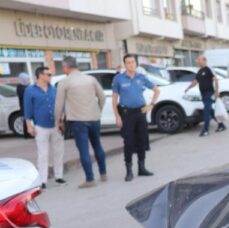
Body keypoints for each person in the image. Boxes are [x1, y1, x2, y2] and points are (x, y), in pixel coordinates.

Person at [54, 56, 107, 189]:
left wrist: (58, 121)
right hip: (94, 118)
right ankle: (103, 173)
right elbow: (102, 97)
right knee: (97, 146)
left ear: (66, 67)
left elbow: (58, 105)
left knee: (84, 150)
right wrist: (98, 111)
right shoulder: (91, 79)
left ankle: (90, 179)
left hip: (78, 121)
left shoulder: (64, 83)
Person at [112, 54, 159, 182]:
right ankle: (129, 171)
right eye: (128, 62)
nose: (131, 64)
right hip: (126, 114)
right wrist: (117, 116)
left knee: (142, 140)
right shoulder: (118, 79)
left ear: (135, 64)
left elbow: (156, 90)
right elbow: (114, 98)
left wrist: (151, 105)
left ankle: (142, 168)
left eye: (132, 62)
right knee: (128, 142)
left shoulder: (141, 77)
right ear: (124, 65)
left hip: (140, 112)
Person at [24, 66, 65, 188]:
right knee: (43, 154)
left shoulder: (54, 89)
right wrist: (29, 126)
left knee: (58, 152)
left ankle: (59, 177)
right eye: (48, 74)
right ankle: (43, 181)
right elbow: (27, 110)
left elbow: (60, 106)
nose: (50, 76)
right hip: (40, 127)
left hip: (56, 125)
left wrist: (61, 121)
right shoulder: (30, 91)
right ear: (40, 75)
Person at [184, 55, 226, 136]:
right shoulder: (199, 71)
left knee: (206, 111)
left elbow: (216, 79)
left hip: (209, 93)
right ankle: (221, 125)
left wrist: (216, 91)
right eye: (198, 60)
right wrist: (188, 88)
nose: (198, 62)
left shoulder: (208, 69)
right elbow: (195, 81)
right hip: (203, 94)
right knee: (210, 111)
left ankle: (205, 130)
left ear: (204, 60)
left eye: (199, 60)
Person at [16, 73, 32, 138]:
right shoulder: (20, 87)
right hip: (24, 106)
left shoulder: (26, 86)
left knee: (28, 119)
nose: (28, 80)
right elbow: (24, 95)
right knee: (26, 119)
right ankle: (27, 134)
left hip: (27, 105)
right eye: (27, 79)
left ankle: (28, 133)